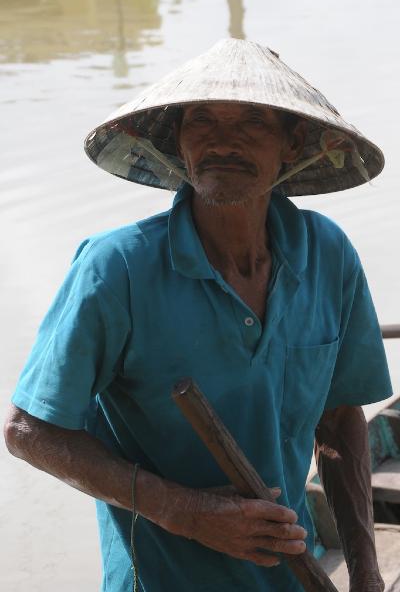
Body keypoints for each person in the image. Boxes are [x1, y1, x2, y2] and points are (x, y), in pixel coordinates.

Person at [4, 38, 393, 592]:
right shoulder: (117, 269)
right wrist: (184, 512)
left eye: (252, 123)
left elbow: (339, 420)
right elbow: (29, 432)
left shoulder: (328, 254)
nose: (222, 142)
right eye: (202, 121)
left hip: (290, 577)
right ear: (178, 143)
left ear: (293, 144)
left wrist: (365, 571)